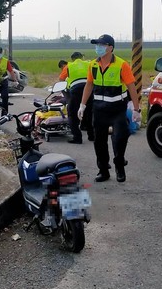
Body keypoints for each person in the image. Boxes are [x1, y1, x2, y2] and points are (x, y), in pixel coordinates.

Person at [78, 34, 141, 183]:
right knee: (99, 142)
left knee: (120, 138)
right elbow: (89, 85)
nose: (98, 48)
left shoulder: (121, 65)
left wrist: (137, 109)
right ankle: (103, 170)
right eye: (97, 45)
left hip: (117, 109)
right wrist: (82, 105)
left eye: (101, 45)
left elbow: (132, 87)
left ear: (110, 48)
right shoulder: (93, 65)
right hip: (99, 110)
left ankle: (120, 166)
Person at [60, 52, 94, 144]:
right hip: (89, 89)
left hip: (75, 91)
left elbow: (61, 80)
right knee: (89, 113)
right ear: (82, 57)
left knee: (72, 115)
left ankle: (77, 138)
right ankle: (92, 136)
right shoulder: (89, 64)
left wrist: (66, 93)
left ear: (72, 59)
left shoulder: (69, 66)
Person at [0, 47, 18, 118]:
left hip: (3, 81)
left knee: (5, 97)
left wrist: (15, 80)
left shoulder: (5, 61)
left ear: (2, 53)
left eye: (0, 53)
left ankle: (4, 114)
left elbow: (11, 71)